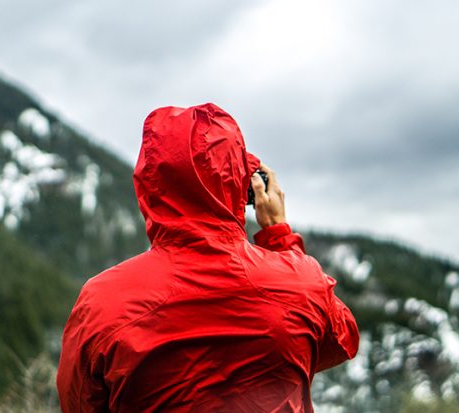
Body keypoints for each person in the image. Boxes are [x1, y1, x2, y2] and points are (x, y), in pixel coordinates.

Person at [57, 103, 359, 412]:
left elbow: (78, 404)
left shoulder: (101, 303)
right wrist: (279, 237)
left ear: (148, 184)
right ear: (241, 185)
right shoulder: (300, 284)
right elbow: (341, 340)